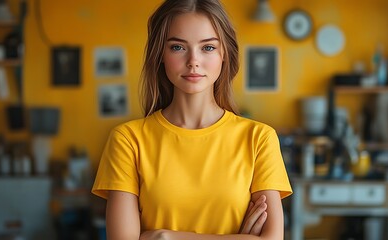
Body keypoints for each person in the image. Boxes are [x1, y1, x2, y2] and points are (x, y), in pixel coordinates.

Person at [92, 0, 292, 239]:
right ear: (160, 55)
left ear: (224, 54)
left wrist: (167, 237)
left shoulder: (259, 138)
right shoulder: (128, 139)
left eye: (207, 48)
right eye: (178, 47)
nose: (193, 61)